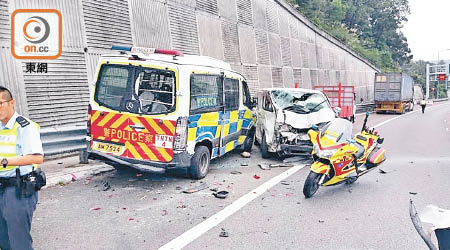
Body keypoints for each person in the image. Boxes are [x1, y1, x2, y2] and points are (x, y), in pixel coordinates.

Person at [0, 86, 44, 250]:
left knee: (19, 242)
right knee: (4, 240)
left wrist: (4, 161)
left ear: (12, 103)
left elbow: (37, 157)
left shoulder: (25, 127)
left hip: (18, 190)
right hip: (1, 187)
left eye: (0, 103)